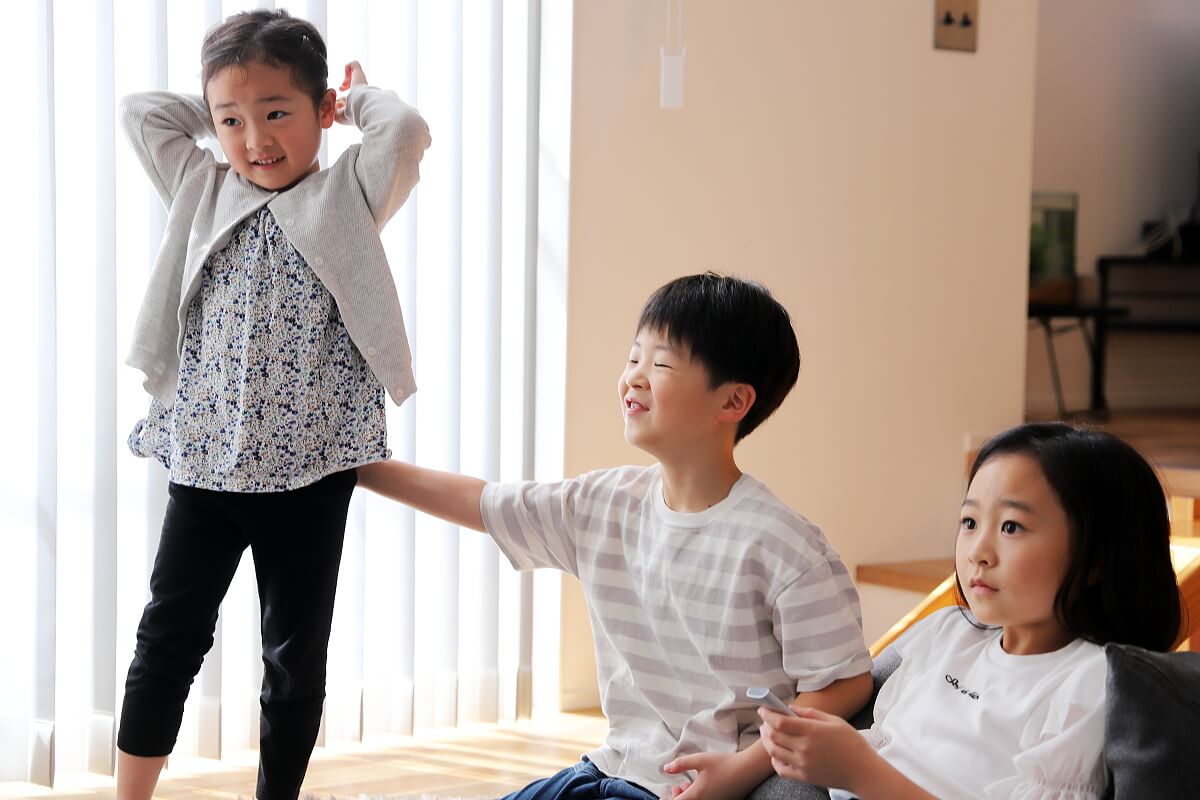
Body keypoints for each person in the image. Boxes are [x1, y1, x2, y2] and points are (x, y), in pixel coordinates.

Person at [357, 272, 875, 800]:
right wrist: (355, 467)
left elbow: (846, 683)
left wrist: (742, 770)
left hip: (692, 785)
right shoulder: (605, 504)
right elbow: (484, 502)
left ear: (733, 402)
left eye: (661, 364)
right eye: (633, 358)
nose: (634, 379)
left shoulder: (784, 546)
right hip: (611, 767)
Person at [115, 9, 430, 800]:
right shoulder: (200, 185)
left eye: (277, 113)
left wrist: (354, 101)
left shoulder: (347, 194)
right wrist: (218, 107)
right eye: (233, 120)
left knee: (293, 659)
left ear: (319, 110)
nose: (255, 139)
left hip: (309, 474)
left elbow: (405, 131)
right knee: (167, 639)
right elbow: (140, 114)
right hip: (206, 468)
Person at [757, 422, 1183, 799]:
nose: (978, 551)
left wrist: (860, 771)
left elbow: (866, 767)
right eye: (970, 522)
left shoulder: (1089, 685)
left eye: (1011, 526)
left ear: (1096, 561)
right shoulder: (946, 632)